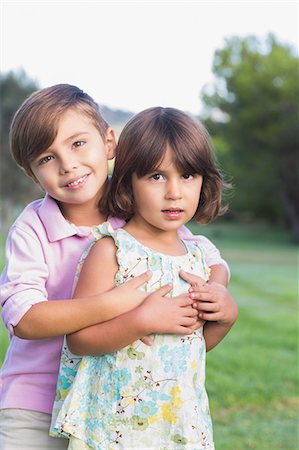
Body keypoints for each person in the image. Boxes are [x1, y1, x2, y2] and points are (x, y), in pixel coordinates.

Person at [0, 86, 231, 450]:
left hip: (109, 400)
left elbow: (203, 255)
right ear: (31, 174)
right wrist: (115, 304)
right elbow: (25, 319)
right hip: (36, 401)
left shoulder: (140, 209)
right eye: (46, 158)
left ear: (109, 142)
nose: (68, 164)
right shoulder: (33, 227)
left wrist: (217, 289)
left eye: (78, 144)